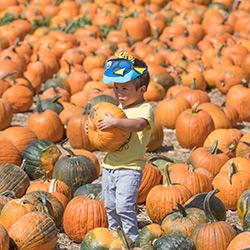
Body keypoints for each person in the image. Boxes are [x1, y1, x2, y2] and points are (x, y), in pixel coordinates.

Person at [86, 51, 154, 243]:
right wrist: (90, 128)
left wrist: (115, 123)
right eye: (116, 88)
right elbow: (107, 138)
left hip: (130, 168)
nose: (119, 93)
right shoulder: (118, 110)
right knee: (110, 205)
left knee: (124, 205)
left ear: (141, 89)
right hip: (110, 167)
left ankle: (131, 239)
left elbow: (138, 125)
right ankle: (114, 236)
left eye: (124, 88)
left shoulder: (144, 110)